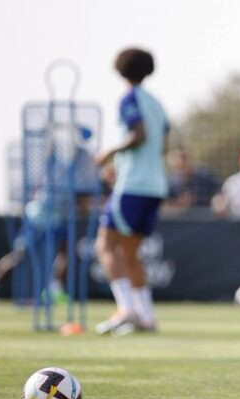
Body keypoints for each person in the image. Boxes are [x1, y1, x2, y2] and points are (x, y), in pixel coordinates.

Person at [94, 47, 169, 336]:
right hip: (155, 185)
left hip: (133, 186)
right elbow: (161, 146)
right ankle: (147, 318)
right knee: (130, 252)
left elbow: (139, 135)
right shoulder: (157, 103)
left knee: (106, 245)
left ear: (119, 69)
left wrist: (108, 154)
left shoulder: (129, 98)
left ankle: (125, 309)